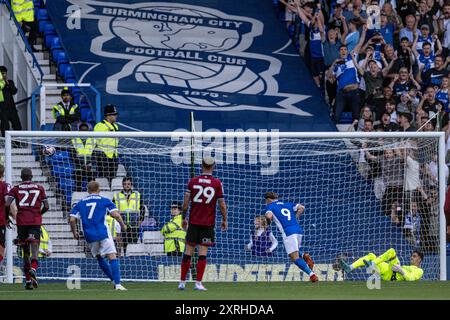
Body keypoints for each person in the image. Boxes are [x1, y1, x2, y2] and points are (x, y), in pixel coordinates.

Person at [178, 157, 227, 291]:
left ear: (201, 165)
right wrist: (224, 219)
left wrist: (183, 217)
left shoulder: (193, 181)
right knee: (202, 253)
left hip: (194, 222)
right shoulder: (217, 183)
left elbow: (186, 201)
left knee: (188, 252)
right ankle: (198, 283)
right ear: (214, 166)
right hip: (207, 224)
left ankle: (182, 282)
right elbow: (222, 204)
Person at [69, 181, 127, 290]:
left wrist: (74, 232)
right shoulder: (105, 200)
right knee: (112, 256)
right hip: (103, 232)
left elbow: (72, 219)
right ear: (99, 189)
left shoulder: (80, 203)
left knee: (99, 256)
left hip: (89, 235)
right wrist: (123, 225)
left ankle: (113, 281)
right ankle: (118, 284)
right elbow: (115, 214)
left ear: (87, 190)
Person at [5, 168, 49, 290]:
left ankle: (28, 282)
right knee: (35, 250)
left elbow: (7, 204)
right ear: (31, 176)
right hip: (35, 222)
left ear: (21, 177)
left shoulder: (16, 188)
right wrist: (38, 214)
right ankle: (33, 269)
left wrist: (6, 217)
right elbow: (46, 206)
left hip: (22, 222)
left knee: (25, 252)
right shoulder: (40, 188)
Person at [264, 191, 318, 282]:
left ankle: (312, 275)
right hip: (298, 229)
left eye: (265, 201)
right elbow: (301, 208)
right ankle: (304, 255)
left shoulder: (270, 206)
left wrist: (268, 222)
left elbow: (268, 216)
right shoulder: (288, 204)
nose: (265, 202)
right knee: (296, 250)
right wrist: (296, 217)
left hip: (288, 231)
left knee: (294, 257)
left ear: (269, 199)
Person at [339, 248, 424, 281]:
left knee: (392, 251)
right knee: (371, 255)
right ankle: (350, 267)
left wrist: (401, 270)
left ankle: (372, 264)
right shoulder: (407, 266)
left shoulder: (419, 271)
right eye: (412, 256)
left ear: (419, 259)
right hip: (389, 272)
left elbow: (411, 278)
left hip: (394, 277)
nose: (411, 258)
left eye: (414, 256)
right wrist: (399, 268)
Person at [113, 176, 145, 251]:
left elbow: (142, 208)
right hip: (121, 225)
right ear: (122, 185)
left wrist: (140, 221)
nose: (127, 185)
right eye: (125, 184)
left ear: (131, 185)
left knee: (132, 246)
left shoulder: (137, 195)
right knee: (122, 246)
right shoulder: (117, 196)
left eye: (128, 184)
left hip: (134, 226)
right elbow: (113, 211)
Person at [93, 104, 119, 183]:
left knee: (113, 179)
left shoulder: (115, 126)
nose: (116, 116)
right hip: (103, 156)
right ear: (108, 115)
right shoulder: (100, 126)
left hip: (114, 156)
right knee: (103, 180)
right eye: (114, 114)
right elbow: (95, 141)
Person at [71, 122, 96, 192]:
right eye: (82, 130)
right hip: (78, 168)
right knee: (78, 186)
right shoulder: (74, 140)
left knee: (92, 186)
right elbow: (72, 156)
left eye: (85, 130)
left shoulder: (93, 140)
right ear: (79, 130)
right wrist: (82, 165)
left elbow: (95, 154)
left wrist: (90, 164)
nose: (84, 131)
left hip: (90, 168)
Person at [0, 66, 21, 137]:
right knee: (5, 128)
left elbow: (14, 91)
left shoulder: (10, 82)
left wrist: (7, 82)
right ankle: (5, 145)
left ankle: (18, 144)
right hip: (2, 110)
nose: (4, 75)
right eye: (2, 73)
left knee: (17, 127)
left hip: (12, 109)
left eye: (5, 73)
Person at [0, 165, 10, 266]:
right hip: (0, 221)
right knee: (1, 249)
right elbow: (8, 202)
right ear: (3, 174)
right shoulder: (4, 186)